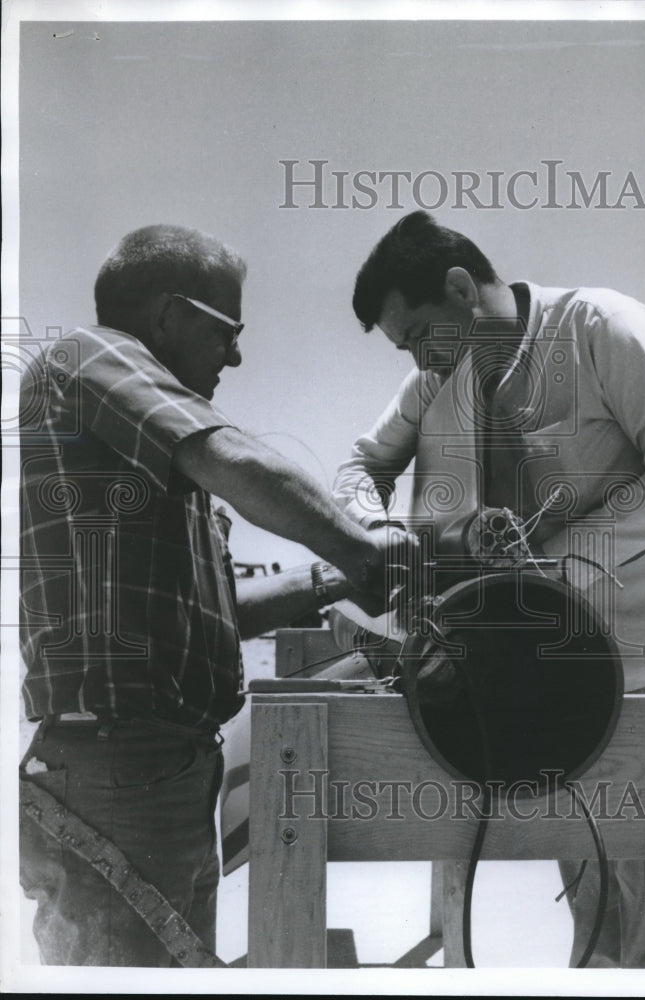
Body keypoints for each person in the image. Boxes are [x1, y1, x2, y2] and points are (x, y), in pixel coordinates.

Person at [332, 210, 645, 968]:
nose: (420, 359)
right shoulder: (434, 376)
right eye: (408, 348)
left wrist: (556, 557)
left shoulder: (605, 327)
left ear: (460, 287)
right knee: (596, 917)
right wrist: (377, 533)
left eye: (422, 333)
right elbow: (361, 468)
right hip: (547, 677)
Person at [18, 223, 416, 967]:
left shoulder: (160, 461)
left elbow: (217, 609)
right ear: (168, 315)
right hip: (119, 768)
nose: (235, 353)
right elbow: (233, 456)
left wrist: (335, 579)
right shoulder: (87, 357)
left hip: (155, 769)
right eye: (228, 330)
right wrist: (365, 551)